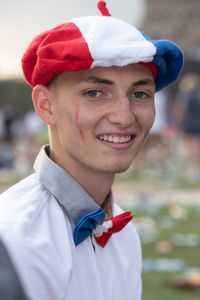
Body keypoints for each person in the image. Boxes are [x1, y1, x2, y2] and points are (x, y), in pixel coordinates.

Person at [0, 1, 183, 299]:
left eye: (139, 94)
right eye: (95, 93)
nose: (124, 117)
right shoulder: (13, 241)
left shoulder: (123, 231)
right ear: (45, 105)